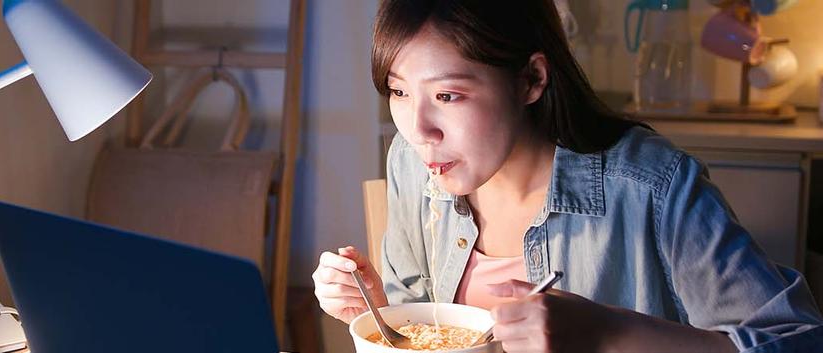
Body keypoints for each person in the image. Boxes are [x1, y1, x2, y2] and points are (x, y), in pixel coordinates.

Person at [311, 0, 823, 352]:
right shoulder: (412, 161)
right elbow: (422, 318)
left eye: (448, 96)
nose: (419, 128)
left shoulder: (654, 186)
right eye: (398, 91)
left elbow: (796, 341)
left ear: (531, 79)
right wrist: (380, 315)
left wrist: (607, 334)